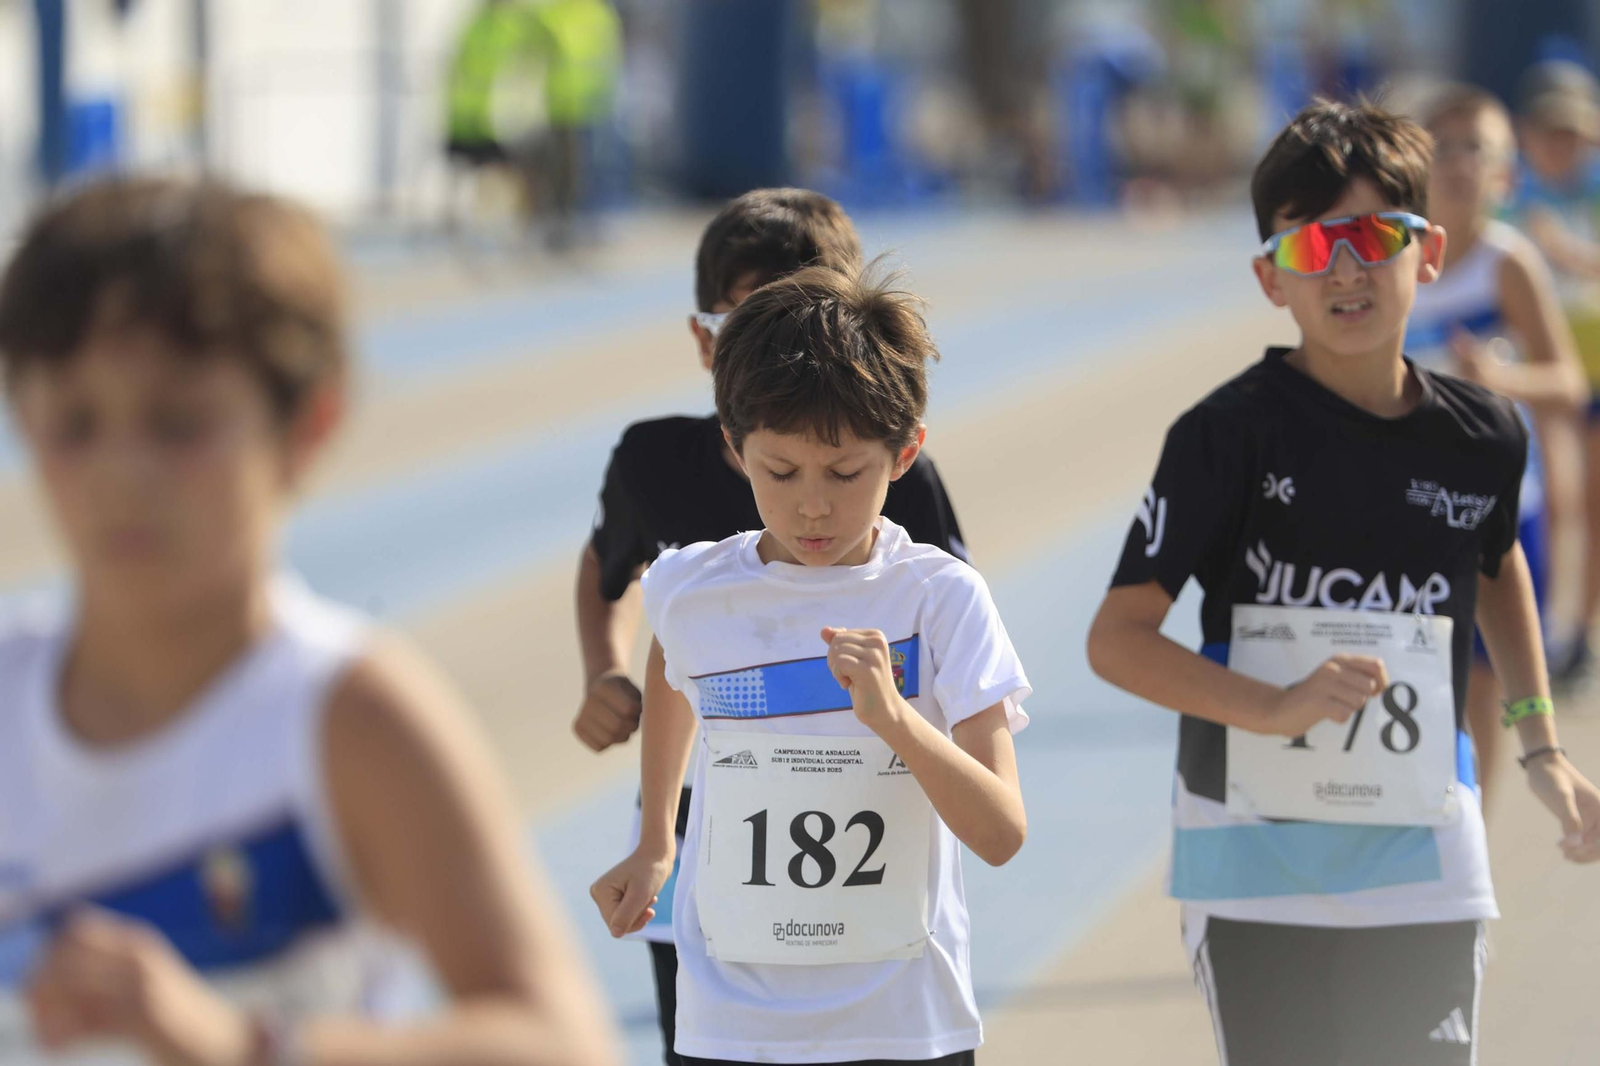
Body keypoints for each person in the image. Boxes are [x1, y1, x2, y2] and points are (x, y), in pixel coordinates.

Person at [0, 176, 622, 1066]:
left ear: (307, 422)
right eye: (74, 422)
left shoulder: (349, 716)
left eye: (177, 423)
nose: (118, 472)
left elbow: (564, 1044)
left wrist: (246, 1047)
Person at [1087, 99, 1600, 1066]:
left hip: (1425, 856)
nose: (1348, 269)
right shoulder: (1224, 437)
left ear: (1432, 251)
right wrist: (1271, 706)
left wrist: (1541, 746)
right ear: (1270, 277)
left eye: (1374, 236)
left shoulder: (1482, 434)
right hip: (1254, 868)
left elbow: (1498, 566)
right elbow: (1116, 640)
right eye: (1312, 246)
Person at [590, 265, 1030, 1065]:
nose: (813, 505)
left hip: (900, 1024)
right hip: (731, 1026)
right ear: (735, 449)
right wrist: (658, 837)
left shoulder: (941, 600)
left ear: (905, 454)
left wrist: (895, 721)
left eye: (846, 472)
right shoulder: (691, 587)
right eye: (780, 473)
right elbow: (671, 668)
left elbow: (1001, 832)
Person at [1405, 83, 1588, 811]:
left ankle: (1468, 842)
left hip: (1506, 511)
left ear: (1506, 174)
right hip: (1411, 512)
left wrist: (1499, 377)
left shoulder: (1509, 264)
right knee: (1423, 689)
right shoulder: (1393, 260)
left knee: (1483, 691)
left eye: (1474, 148)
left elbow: (1569, 382)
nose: (1456, 163)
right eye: (1440, 146)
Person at [1507, 59, 1600, 681]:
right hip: (1534, 373)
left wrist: (1565, 252)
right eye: (1549, 132)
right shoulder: (1508, 203)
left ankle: (1578, 635)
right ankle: (1532, 628)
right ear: (1527, 135)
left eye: (1572, 133)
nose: (1560, 145)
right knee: (1548, 504)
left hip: (1593, 370)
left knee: (1592, 506)